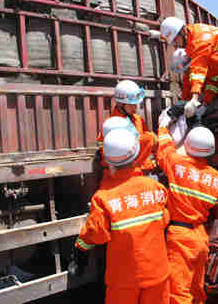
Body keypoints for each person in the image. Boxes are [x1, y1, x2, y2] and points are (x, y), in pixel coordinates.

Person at [72, 128, 171, 304]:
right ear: (136, 155)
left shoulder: (104, 198)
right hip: (158, 274)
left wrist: (80, 250)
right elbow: (164, 219)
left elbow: (96, 234)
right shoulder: (155, 189)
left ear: (109, 161)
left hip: (124, 281)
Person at [156, 110, 218, 304]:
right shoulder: (216, 178)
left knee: (178, 293)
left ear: (187, 145)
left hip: (180, 237)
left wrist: (163, 125)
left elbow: (165, 148)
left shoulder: (177, 164)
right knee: (197, 292)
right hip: (201, 238)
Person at [161, 17, 218, 117]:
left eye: (175, 40)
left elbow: (198, 70)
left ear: (182, 31)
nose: (176, 44)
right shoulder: (194, 41)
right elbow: (213, 80)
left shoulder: (198, 40)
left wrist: (194, 98)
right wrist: (205, 103)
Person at [105, 80, 158, 173]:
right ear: (121, 104)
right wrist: (150, 139)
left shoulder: (138, 119)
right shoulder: (112, 124)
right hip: (126, 170)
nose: (135, 107)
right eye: (132, 105)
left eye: (136, 104)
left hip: (144, 166)